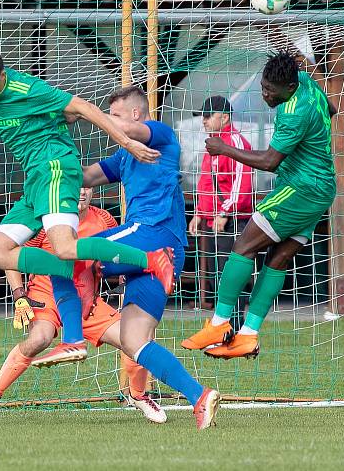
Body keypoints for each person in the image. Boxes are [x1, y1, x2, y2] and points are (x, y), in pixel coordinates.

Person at [0, 46, 174, 367]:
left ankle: (150, 259)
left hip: (54, 169)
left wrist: (127, 142)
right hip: (34, 182)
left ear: (2, 77)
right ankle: (71, 284)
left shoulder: (27, 88)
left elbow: (84, 106)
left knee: (63, 247)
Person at [76, 85, 219, 430]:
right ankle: (200, 396)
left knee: (74, 254)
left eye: (115, 114)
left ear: (136, 114)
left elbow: (126, 131)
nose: (111, 121)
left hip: (153, 235)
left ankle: (71, 338)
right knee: (133, 340)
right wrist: (47, 161)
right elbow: (85, 176)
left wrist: (80, 109)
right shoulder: (125, 155)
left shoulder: (160, 134)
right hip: (153, 254)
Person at [182, 51, 336, 359]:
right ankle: (248, 335)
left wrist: (223, 148)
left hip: (300, 188)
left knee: (243, 247)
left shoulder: (294, 112)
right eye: (263, 87)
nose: (265, 94)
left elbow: (268, 161)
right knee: (276, 260)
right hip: (320, 189)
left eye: (270, 91)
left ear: (289, 88)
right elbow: (330, 108)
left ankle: (219, 323)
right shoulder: (304, 80)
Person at [0, 187, 166, 424]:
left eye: (86, 186)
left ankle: (139, 395)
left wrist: (127, 272)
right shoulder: (48, 222)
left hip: (87, 300)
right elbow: (10, 255)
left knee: (135, 339)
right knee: (40, 339)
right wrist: (18, 294)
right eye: (76, 186)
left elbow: (115, 254)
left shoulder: (104, 219)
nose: (81, 192)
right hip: (47, 294)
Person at [188, 95, 254, 321]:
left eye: (208, 116)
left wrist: (224, 212)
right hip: (214, 219)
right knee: (218, 273)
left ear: (224, 117)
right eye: (202, 116)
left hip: (231, 219)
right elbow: (208, 182)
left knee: (230, 274)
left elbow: (241, 182)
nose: (203, 121)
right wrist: (199, 212)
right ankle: (224, 322)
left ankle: (234, 323)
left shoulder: (234, 142)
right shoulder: (214, 145)